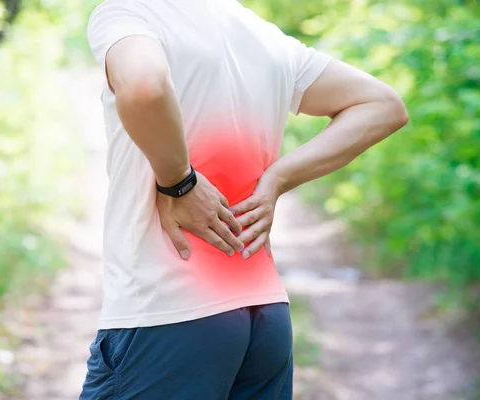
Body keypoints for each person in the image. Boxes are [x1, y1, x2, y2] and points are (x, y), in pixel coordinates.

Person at [80, 0, 408, 398]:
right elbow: (382, 105)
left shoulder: (129, 15)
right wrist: (278, 178)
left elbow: (146, 86)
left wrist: (178, 183)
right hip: (264, 317)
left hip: (166, 311)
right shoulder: (261, 35)